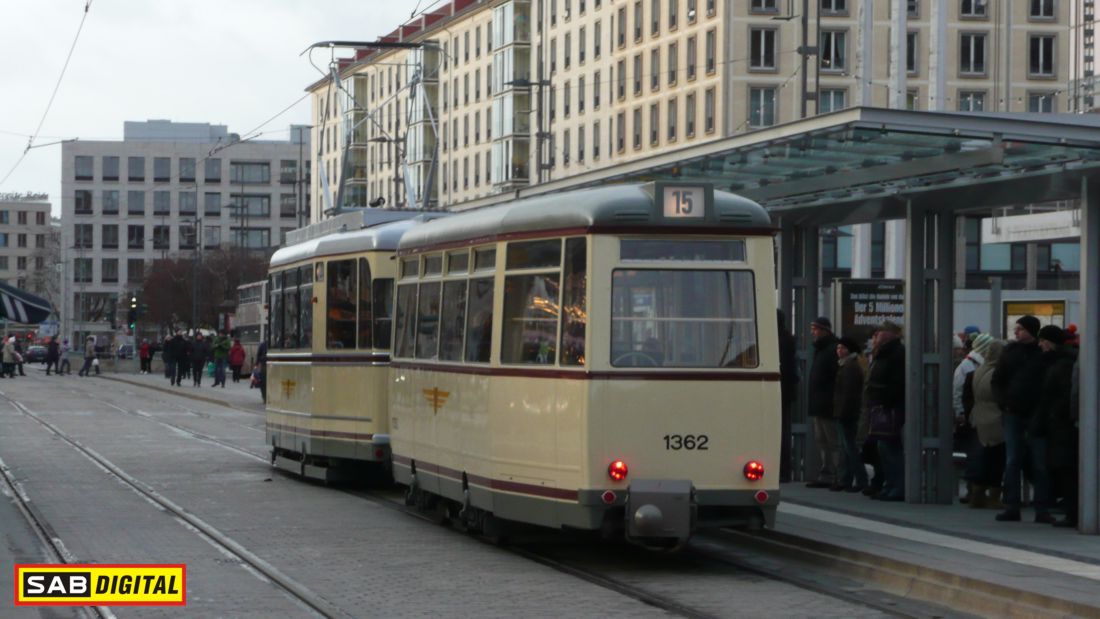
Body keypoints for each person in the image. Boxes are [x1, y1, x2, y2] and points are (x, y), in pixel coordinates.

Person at [991, 315, 1050, 523]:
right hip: (1014, 412)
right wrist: (1003, 403)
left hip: (1035, 413)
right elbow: (997, 380)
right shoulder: (1010, 352)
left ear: (1031, 331)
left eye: (1020, 329)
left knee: (1038, 462)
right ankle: (1013, 506)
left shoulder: (1041, 354)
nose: (1016, 332)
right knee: (1013, 460)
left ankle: (1041, 507)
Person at [1034, 325, 1079, 528]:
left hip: (1062, 425)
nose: (1040, 345)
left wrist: (1054, 415)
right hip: (1059, 423)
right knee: (1064, 468)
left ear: (1051, 342)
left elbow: (1063, 395)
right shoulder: (1059, 362)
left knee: (1066, 468)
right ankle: (1072, 510)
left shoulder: (1062, 365)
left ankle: (1073, 513)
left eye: (1043, 340)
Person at [864, 321, 906, 501]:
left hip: (889, 407)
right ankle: (889, 485)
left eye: (879, 332)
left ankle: (897, 486)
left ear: (890, 334)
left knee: (890, 448)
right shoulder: (883, 353)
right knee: (883, 448)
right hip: (881, 406)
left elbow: (897, 382)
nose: (876, 336)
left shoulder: (896, 354)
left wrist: (885, 399)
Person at [968, 335, 1003, 509]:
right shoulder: (996, 373)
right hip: (995, 419)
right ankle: (993, 497)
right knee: (996, 460)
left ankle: (977, 494)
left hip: (979, 418)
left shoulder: (979, 370)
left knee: (983, 458)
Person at [806, 316, 840, 489]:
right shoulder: (822, 349)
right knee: (822, 440)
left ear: (825, 330)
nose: (813, 333)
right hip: (820, 403)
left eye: (816, 329)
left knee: (832, 441)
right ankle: (827, 474)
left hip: (827, 404)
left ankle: (837, 475)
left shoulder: (831, 349)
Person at [953, 329, 985, 504]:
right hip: (973, 416)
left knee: (974, 452)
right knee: (976, 452)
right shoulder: (969, 365)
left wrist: (959, 411)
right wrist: (959, 412)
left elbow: (957, 392)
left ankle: (975, 489)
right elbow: (958, 392)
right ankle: (975, 489)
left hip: (972, 415)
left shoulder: (968, 365)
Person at [833, 336, 867, 492]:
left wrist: (842, 412)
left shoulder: (850, 367)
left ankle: (860, 479)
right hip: (846, 412)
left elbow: (849, 393)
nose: (839, 351)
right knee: (846, 448)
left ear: (849, 350)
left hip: (846, 413)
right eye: (838, 348)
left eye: (843, 348)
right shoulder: (847, 365)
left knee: (849, 448)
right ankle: (846, 479)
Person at [777, 310, 799, 483]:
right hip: (786, 390)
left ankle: (783, 470)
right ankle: (785, 470)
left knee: (781, 432)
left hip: (781, 391)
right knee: (783, 431)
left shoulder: (779, 340)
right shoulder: (787, 339)